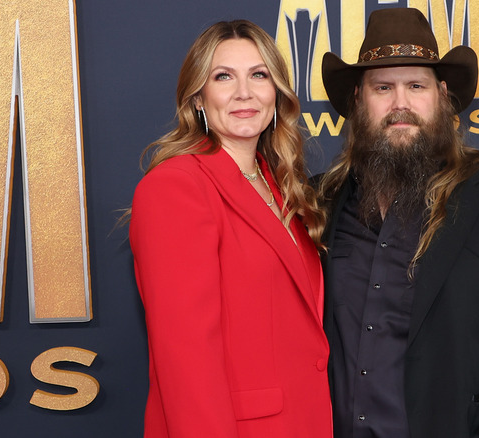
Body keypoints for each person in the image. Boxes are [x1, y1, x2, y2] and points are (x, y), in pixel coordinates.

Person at [318, 8, 479, 438]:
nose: (401, 104)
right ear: (358, 100)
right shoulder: (316, 202)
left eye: (416, 85)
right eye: (383, 87)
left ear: (442, 95)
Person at [128, 20, 332, 438]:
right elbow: (186, 360)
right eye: (224, 77)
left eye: (259, 75)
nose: (245, 92)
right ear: (198, 98)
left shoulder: (281, 187)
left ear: (276, 94)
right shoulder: (177, 186)